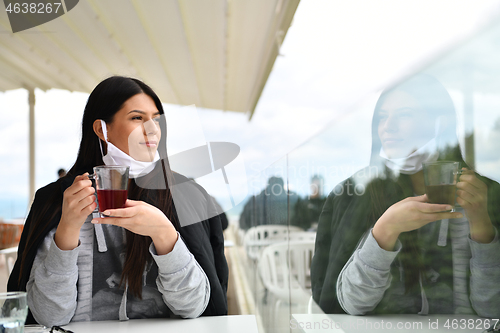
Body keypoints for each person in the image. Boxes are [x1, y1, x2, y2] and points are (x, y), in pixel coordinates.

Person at [8, 76, 228, 326]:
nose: (153, 128)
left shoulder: (183, 193)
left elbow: (194, 307)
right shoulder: (57, 200)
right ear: (103, 129)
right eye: (137, 118)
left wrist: (164, 233)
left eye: (156, 118)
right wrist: (67, 229)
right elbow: (49, 316)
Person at [311, 74, 500, 318]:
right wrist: (386, 229)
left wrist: (482, 225)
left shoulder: (483, 194)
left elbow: (493, 309)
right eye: (382, 117)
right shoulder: (356, 194)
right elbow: (351, 304)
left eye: (405, 115)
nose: (388, 127)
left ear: (440, 124)